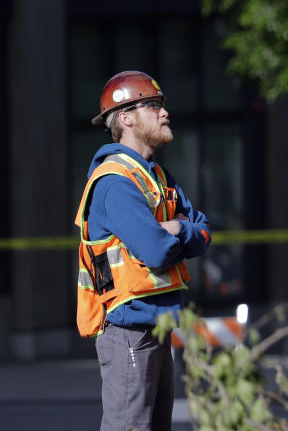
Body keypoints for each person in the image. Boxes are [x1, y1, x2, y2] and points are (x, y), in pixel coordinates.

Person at [75, 71, 212, 431]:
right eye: (153, 105)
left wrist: (179, 227)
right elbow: (156, 251)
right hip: (127, 330)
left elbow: (205, 233)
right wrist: (179, 230)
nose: (164, 112)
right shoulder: (115, 182)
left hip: (156, 326)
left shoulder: (156, 176)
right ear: (126, 117)